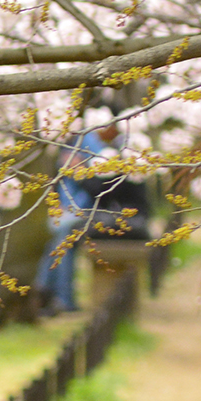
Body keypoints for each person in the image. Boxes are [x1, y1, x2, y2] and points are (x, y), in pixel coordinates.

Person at [35, 118, 121, 315]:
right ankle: (54, 296)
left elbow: (101, 190)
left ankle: (50, 294)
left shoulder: (92, 145)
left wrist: (78, 172)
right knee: (58, 243)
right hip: (65, 213)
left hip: (89, 213)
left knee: (62, 241)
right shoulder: (60, 144)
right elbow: (55, 183)